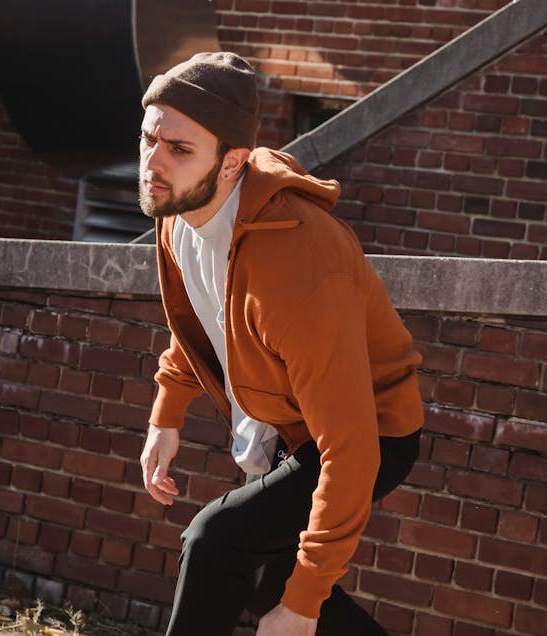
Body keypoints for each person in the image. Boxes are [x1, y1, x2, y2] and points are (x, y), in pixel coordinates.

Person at [136, 51, 424, 636]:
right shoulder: (178, 211)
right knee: (265, 571)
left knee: (218, 542)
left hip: (370, 429)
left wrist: (305, 605)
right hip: (291, 422)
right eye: (148, 139)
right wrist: (167, 412)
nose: (153, 164)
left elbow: (351, 449)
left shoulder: (299, 262)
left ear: (232, 161)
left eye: (179, 149)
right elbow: (199, 321)